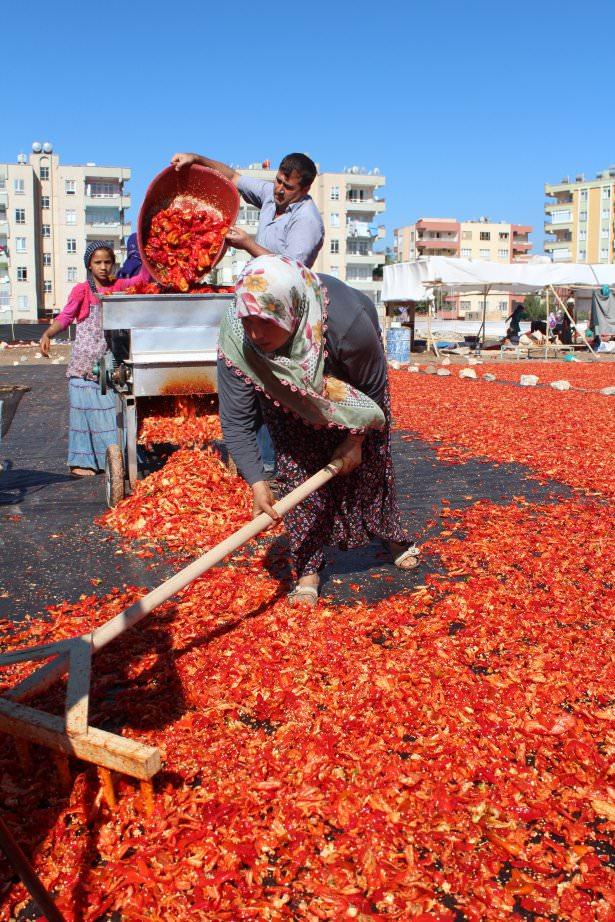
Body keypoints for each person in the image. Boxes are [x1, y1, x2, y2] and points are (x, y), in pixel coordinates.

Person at [217, 255, 419, 607]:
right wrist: (257, 481)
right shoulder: (238, 339)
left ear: (288, 312)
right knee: (296, 464)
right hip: (282, 384)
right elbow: (236, 419)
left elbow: (372, 392)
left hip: (348, 382)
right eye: (247, 320)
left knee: (369, 464)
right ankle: (308, 566)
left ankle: (391, 535)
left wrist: (353, 442)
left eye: (265, 321)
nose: (254, 333)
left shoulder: (347, 324)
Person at [40, 241, 150, 477]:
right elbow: (67, 316)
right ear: (89, 265)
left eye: (107, 262)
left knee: (112, 414)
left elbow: (142, 280)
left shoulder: (120, 286)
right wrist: (49, 333)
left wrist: (149, 254)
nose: (103, 267)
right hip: (84, 365)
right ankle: (81, 463)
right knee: (83, 415)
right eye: (97, 262)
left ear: (113, 264)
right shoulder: (82, 290)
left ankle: (112, 461)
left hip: (109, 365)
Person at [171, 151, 325, 268]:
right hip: (256, 286)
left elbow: (291, 269)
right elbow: (233, 177)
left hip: (284, 302)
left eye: (288, 187)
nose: (279, 189)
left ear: (305, 189)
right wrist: (196, 158)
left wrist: (248, 245)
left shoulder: (307, 220)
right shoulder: (270, 194)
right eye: (278, 181)